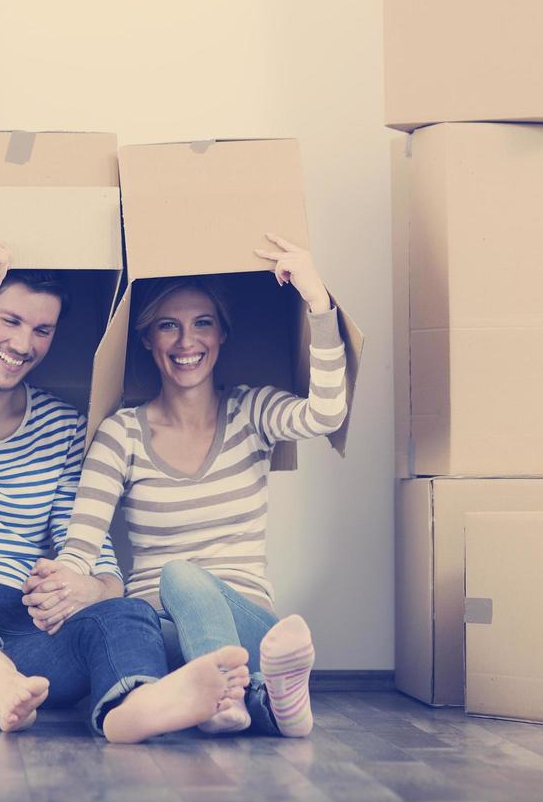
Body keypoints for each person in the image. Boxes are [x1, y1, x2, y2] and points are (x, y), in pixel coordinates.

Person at [0, 241, 249, 743]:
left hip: (21, 650)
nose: (24, 344)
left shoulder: (63, 426)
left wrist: (93, 588)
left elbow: (96, 556)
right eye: (11, 321)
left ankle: (134, 706)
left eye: (42, 330)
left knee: (127, 611)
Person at [23, 233, 347, 737]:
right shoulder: (122, 433)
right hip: (162, 632)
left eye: (202, 324)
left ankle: (223, 701)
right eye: (168, 326)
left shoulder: (251, 411)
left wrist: (318, 303)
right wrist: (62, 584)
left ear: (222, 335)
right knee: (157, 618)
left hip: (248, 622)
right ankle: (266, 700)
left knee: (183, 574)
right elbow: (81, 543)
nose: (186, 342)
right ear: (147, 338)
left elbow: (327, 413)